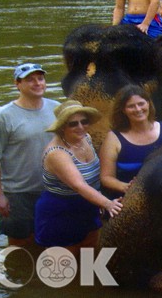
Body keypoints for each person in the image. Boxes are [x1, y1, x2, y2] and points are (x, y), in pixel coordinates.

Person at [35, 100, 123, 257]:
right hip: (62, 212)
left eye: (84, 121)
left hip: (88, 205)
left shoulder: (86, 138)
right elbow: (79, 185)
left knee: (89, 256)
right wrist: (107, 203)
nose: (81, 127)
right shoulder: (57, 153)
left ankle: (86, 282)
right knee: (65, 266)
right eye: (73, 124)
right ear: (62, 127)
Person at [0, 63, 59, 247]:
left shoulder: (57, 109)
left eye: (40, 78)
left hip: (52, 188)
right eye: (30, 80)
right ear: (17, 84)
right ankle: (18, 276)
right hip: (18, 193)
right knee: (20, 246)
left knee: (51, 242)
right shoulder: (2, 116)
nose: (37, 83)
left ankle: (40, 277)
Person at [99, 85, 162, 199]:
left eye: (141, 104)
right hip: (130, 198)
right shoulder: (113, 139)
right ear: (123, 110)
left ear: (148, 104)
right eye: (131, 106)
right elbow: (106, 177)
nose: (138, 109)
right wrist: (127, 187)